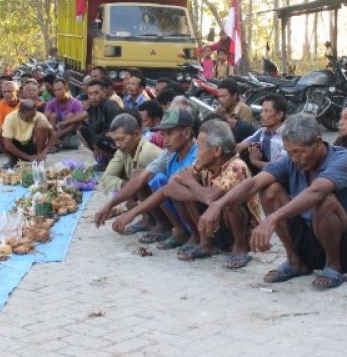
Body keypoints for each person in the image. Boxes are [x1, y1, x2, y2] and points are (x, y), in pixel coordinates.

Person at [199, 114, 347, 289]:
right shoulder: (291, 160)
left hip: (345, 246)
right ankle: (295, 261)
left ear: (317, 142)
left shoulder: (343, 159)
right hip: (309, 237)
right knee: (271, 190)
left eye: (299, 152)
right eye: (289, 152)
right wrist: (217, 205)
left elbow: (316, 192)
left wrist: (272, 219)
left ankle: (333, 266)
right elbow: (255, 182)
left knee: (323, 200)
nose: (294, 158)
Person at [114, 119, 263, 269]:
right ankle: (205, 244)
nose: (197, 152)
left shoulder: (236, 166)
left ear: (216, 151)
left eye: (200, 148)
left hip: (245, 230)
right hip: (215, 222)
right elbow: (170, 188)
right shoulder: (203, 164)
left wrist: (192, 183)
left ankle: (240, 248)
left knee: (230, 204)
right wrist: (132, 213)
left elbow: (211, 197)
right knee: (179, 190)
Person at [94, 109, 198, 249]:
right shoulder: (169, 154)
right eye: (163, 134)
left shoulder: (197, 156)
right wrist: (109, 205)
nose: (164, 139)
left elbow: (167, 191)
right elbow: (140, 179)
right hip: (182, 211)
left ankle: (197, 236)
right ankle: (180, 231)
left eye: (169, 134)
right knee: (144, 176)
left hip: (199, 214)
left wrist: (132, 213)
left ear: (186, 133)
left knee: (171, 185)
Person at [79, 78, 122, 169]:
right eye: (90, 94)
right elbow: (93, 128)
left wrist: (97, 142)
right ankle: (102, 159)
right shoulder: (92, 107)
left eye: (96, 93)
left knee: (97, 139)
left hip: (116, 142)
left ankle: (112, 162)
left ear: (104, 92)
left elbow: (118, 132)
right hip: (102, 138)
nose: (93, 97)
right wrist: (95, 148)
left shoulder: (110, 106)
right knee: (81, 131)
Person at [237, 93, 286, 172]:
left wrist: (256, 162)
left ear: (279, 114)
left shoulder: (287, 137)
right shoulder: (262, 131)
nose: (261, 115)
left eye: (266, 111)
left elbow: (281, 169)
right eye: (262, 111)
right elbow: (242, 145)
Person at [0, 100, 53, 168]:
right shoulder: (10, 117)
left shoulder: (39, 116)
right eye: (28, 117)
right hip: (16, 145)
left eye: (33, 115)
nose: (31, 118)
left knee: (42, 125)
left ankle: (39, 155)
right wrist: (28, 157)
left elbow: (53, 134)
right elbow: (7, 144)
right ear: (20, 112)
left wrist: (44, 152)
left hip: (33, 146)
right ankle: (12, 159)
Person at [44, 78, 84, 151]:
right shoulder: (51, 103)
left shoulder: (77, 103)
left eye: (60, 89)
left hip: (71, 139)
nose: (57, 93)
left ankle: (56, 142)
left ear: (66, 88)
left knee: (71, 116)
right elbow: (44, 119)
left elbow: (79, 121)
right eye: (55, 90)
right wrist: (52, 133)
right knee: (53, 115)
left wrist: (60, 133)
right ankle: (54, 142)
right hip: (54, 135)